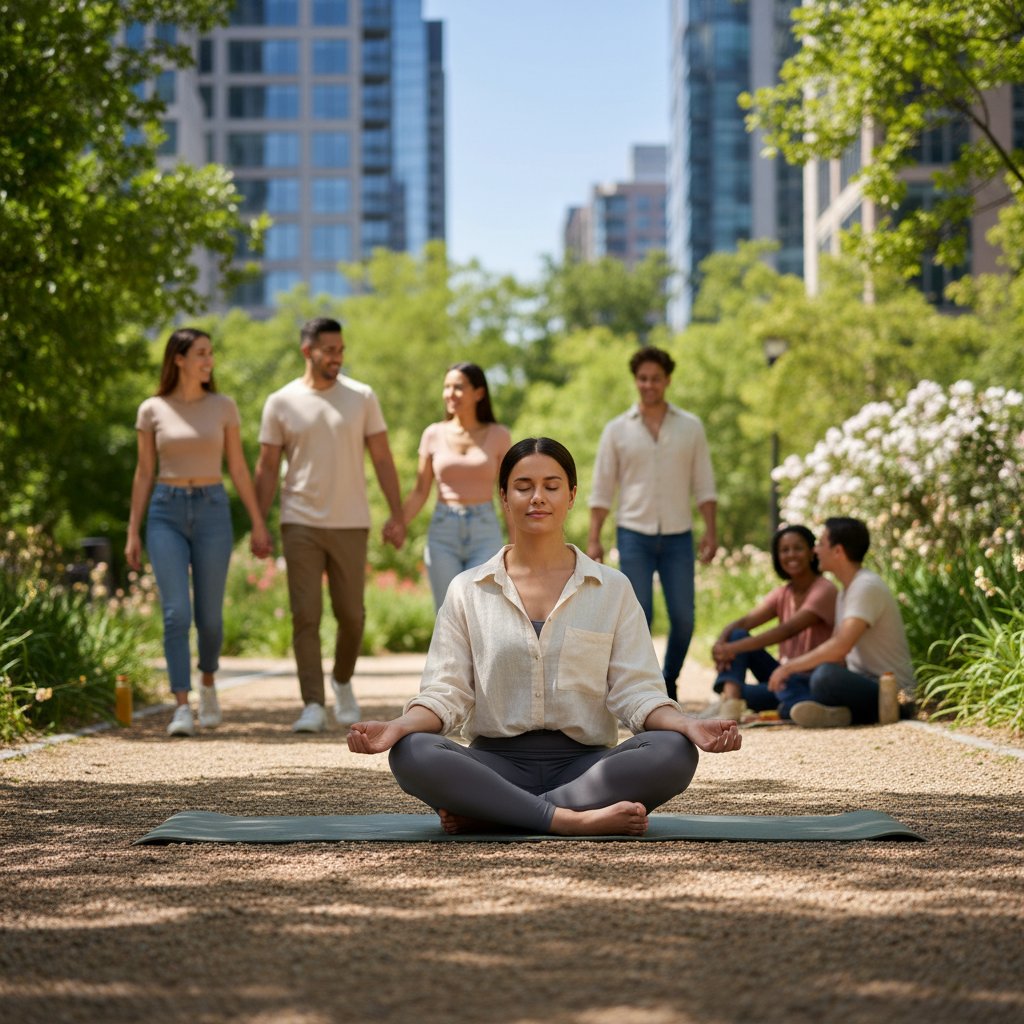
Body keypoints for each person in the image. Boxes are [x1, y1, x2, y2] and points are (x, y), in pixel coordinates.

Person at [347, 437, 741, 837]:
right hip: (493, 766)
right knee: (413, 752)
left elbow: (636, 691)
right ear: (503, 496)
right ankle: (569, 820)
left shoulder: (612, 589)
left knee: (673, 751)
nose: (538, 498)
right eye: (523, 486)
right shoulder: (467, 590)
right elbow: (446, 693)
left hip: (588, 770)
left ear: (571, 495)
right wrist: (398, 726)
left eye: (552, 486)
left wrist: (687, 724)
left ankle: (493, 814)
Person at [254, 317, 406, 734]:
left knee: (352, 615)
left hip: (350, 521)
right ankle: (313, 703)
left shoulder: (361, 397)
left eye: (341, 350)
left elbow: (382, 458)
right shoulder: (281, 402)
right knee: (306, 614)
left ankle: (341, 679)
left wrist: (397, 513)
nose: (338, 357)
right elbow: (267, 467)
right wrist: (257, 522)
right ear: (308, 351)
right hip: (298, 519)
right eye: (329, 350)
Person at [126, 327, 271, 738]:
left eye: (211, 353)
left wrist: (258, 521)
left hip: (212, 510)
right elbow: (143, 472)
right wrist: (132, 531)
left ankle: (208, 681)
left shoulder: (223, 406)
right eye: (202, 353)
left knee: (208, 618)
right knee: (176, 614)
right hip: (165, 511)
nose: (209, 360)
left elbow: (238, 468)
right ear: (179, 359)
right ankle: (182, 705)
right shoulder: (152, 409)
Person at [588, 346, 717, 701]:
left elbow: (704, 483)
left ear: (667, 380)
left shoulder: (690, 427)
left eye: (655, 378)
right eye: (643, 378)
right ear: (636, 381)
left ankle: (668, 678)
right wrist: (594, 538)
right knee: (637, 615)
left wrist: (711, 530)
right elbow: (602, 488)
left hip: (679, 535)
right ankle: (644, 689)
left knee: (684, 617)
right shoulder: (616, 430)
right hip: (634, 535)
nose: (649, 384)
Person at [767, 517, 916, 728]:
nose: (816, 550)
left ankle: (823, 709)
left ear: (838, 551)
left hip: (890, 693)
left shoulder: (865, 586)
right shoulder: (845, 590)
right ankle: (836, 713)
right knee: (794, 682)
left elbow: (840, 647)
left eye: (821, 544)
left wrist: (788, 667)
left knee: (824, 676)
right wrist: (791, 673)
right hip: (858, 683)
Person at [401, 363, 512, 610]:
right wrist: (398, 524)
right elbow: (420, 490)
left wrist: (517, 541)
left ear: (479, 394)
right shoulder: (433, 434)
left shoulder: (499, 435)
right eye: (447, 387)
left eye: (458, 387)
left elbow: (505, 493)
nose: (450, 393)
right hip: (443, 531)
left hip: (485, 530)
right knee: (447, 610)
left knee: (484, 610)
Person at [705, 525, 837, 721]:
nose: (791, 554)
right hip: (783, 679)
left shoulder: (824, 589)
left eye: (798, 548)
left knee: (748, 683)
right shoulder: (784, 593)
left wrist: (732, 648)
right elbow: (745, 621)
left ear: (811, 552)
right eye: (784, 550)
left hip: (812, 679)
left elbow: (787, 630)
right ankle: (731, 705)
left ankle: (806, 707)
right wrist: (722, 641)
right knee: (738, 634)